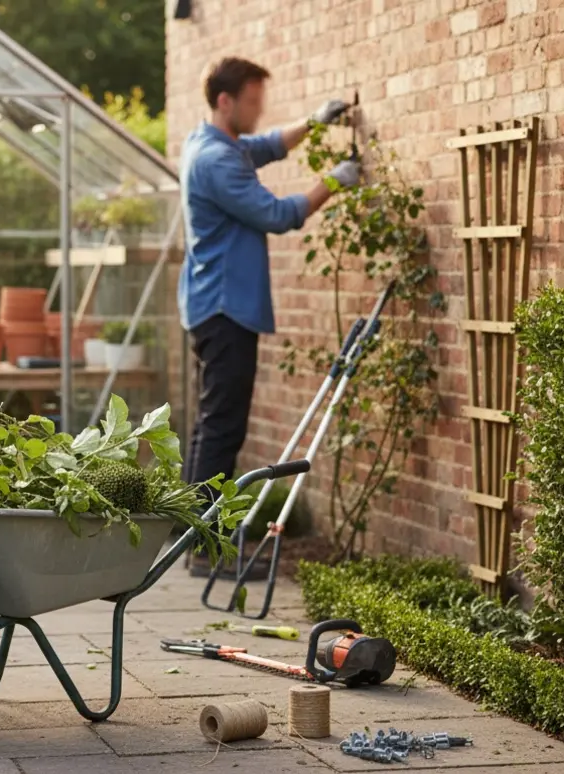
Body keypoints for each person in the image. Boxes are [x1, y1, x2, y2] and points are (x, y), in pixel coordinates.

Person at [178, 57, 360, 569]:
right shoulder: (216, 161)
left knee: (212, 427)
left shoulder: (211, 142)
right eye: (253, 102)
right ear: (225, 101)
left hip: (213, 303)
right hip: (225, 307)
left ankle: (194, 540)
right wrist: (335, 181)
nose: (260, 112)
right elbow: (278, 215)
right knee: (223, 430)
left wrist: (315, 122)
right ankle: (209, 552)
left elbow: (264, 147)